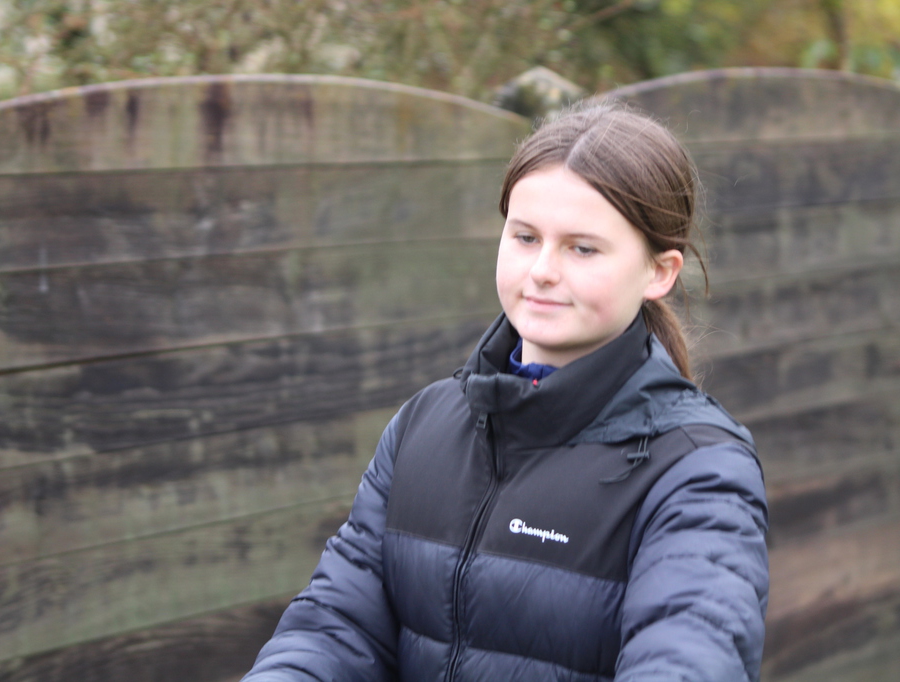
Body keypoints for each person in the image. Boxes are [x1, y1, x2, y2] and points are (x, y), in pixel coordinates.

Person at [242, 103, 769, 682]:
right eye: (525, 237)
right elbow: (333, 629)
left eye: (582, 248)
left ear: (659, 272)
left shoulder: (700, 471)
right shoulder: (423, 426)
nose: (542, 269)